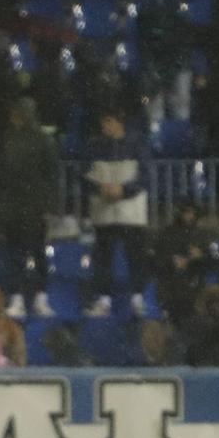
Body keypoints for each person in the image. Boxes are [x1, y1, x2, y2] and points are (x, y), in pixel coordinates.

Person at [0, 98, 59, 319]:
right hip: (26, 207)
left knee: (24, 254)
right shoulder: (38, 140)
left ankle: (24, 299)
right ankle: (32, 299)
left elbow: (3, 176)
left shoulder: (15, 141)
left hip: (23, 206)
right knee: (31, 253)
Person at [82, 111, 150, 318]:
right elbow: (84, 177)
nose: (105, 126)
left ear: (120, 122)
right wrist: (100, 189)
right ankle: (104, 300)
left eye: (109, 121)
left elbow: (144, 177)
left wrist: (124, 190)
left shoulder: (137, 145)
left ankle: (138, 299)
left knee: (135, 257)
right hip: (104, 213)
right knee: (103, 258)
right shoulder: (94, 146)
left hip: (131, 212)